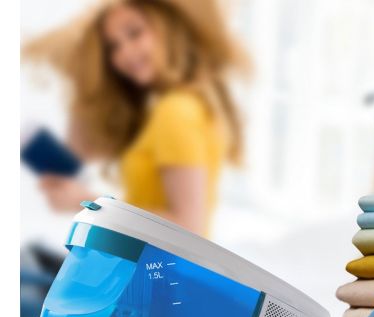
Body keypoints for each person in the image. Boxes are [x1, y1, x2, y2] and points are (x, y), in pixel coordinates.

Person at [24, 0, 248, 236]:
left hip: (155, 260)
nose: (125, 53)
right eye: (113, 47)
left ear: (167, 27)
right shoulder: (165, 109)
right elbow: (81, 148)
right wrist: (87, 78)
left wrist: (87, 202)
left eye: (135, 33)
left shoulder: (176, 111)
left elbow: (189, 227)